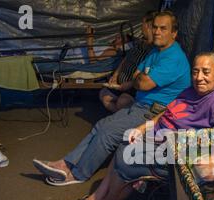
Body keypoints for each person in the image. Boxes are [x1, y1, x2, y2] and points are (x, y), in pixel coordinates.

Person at [62, 52, 214, 200]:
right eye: (195, 71)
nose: (199, 77)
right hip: (156, 138)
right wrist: (142, 128)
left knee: (124, 155)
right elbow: (167, 112)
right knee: (127, 140)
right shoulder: (191, 91)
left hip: (171, 153)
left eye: (206, 72)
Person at [33, 11, 191, 186]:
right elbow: (137, 76)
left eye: (163, 28)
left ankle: (77, 174)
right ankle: (65, 163)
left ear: (174, 33)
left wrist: (142, 77)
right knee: (101, 126)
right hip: (141, 105)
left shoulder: (174, 57)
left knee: (107, 134)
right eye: (155, 27)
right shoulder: (155, 51)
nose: (157, 32)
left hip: (155, 114)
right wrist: (142, 77)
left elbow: (143, 83)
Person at [98, 11, 156, 112]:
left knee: (122, 102)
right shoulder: (140, 41)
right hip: (122, 82)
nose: (141, 26)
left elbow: (146, 74)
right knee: (103, 94)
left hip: (133, 87)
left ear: (148, 25)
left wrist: (129, 84)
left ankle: (122, 120)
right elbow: (127, 58)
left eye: (143, 23)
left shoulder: (154, 48)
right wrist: (116, 75)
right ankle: (119, 118)